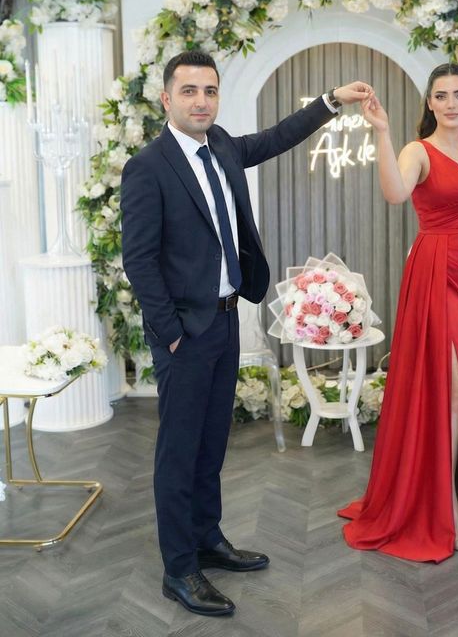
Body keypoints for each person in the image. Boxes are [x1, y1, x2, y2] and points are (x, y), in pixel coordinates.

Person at [121, 50, 372, 616]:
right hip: (185, 332)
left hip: (226, 317)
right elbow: (138, 260)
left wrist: (332, 101)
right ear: (166, 99)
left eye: (209, 91)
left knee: (212, 443)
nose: (201, 101)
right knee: (179, 453)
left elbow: (279, 136)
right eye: (189, 91)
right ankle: (179, 568)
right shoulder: (149, 167)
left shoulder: (223, 147)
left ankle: (207, 540)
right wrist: (170, 333)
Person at [338, 62, 458, 561]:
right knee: (454, 393)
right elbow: (395, 194)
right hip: (438, 274)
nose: (450, 103)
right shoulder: (417, 151)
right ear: (430, 102)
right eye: (441, 95)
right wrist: (382, 132)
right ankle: (446, 512)